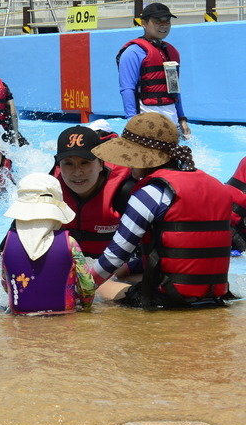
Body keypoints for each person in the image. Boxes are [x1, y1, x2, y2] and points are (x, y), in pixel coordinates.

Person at [89, 113, 235, 308]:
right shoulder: (216, 186)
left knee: (99, 286)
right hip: (214, 295)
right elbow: (182, 248)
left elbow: (114, 256)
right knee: (128, 273)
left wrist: (79, 287)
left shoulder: (149, 193)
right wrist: (127, 268)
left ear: (144, 157)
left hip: (169, 301)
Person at [0, 174, 97, 315]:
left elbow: (6, 284)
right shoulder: (70, 243)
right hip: (63, 316)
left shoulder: (8, 243)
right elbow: (87, 287)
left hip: (20, 316)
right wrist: (86, 308)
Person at [52, 125, 134, 260]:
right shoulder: (49, 189)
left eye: (85, 163)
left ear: (100, 164)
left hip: (115, 271)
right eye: (68, 163)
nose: (77, 172)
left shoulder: (124, 192)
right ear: (59, 165)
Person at [116, 2, 190, 136]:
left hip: (171, 119)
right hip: (145, 119)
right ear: (144, 23)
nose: (163, 25)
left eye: (167, 21)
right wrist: (132, 121)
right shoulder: (133, 53)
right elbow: (127, 88)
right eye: (157, 21)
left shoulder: (172, 52)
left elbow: (174, 89)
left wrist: (182, 119)